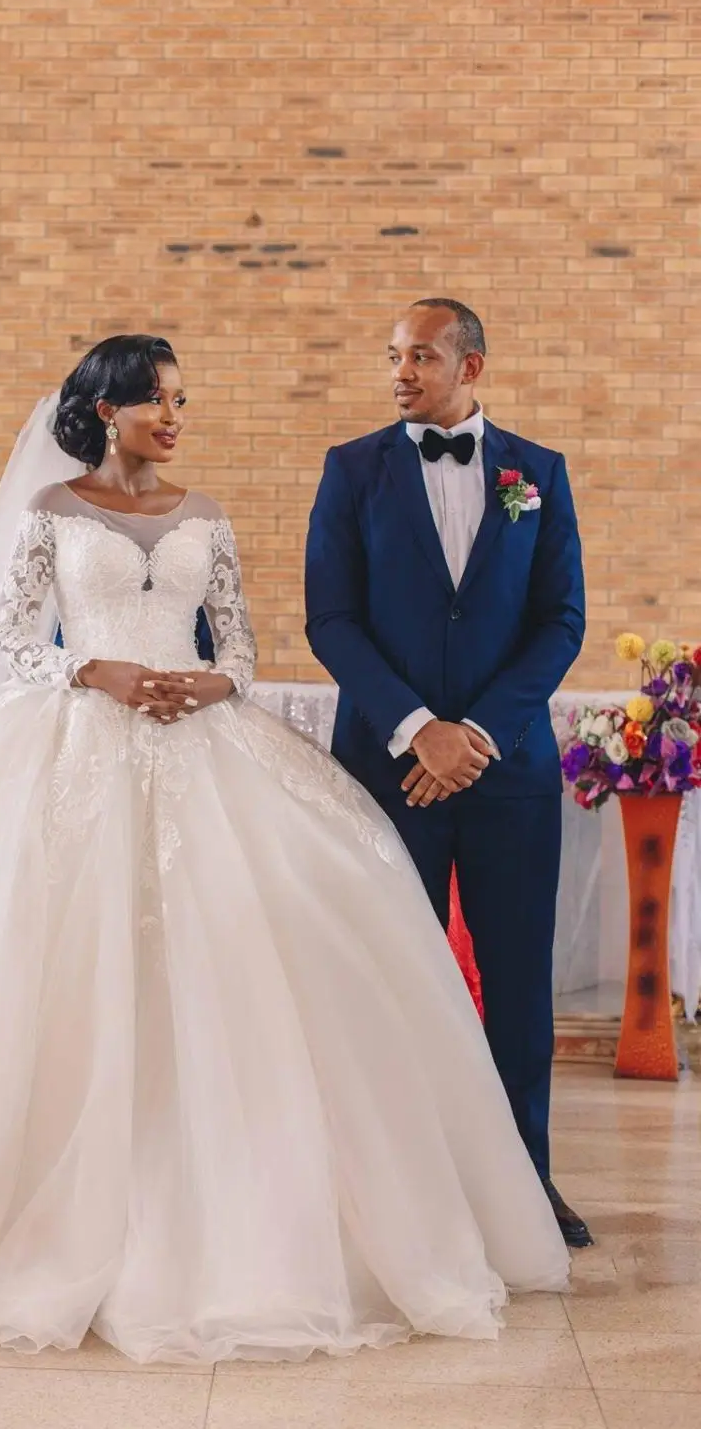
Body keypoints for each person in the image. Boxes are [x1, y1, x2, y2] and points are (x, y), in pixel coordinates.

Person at [0, 335, 570, 1365]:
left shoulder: (205, 515)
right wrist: (91, 672)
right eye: (158, 401)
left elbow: (238, 641)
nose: (174, 418)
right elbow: (13, 640)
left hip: (203, 742)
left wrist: (214, 684)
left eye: (181, 402)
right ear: (105, 411)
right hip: (73, 737)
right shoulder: (51, 514)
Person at [305, 300, 592, 1249]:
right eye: (391, 356)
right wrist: (421, 730)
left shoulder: (536, 475)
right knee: (390, 983)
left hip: (507, 775)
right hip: (389, 775)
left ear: (472, 365)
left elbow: (560, 622)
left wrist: (476, 734)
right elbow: (331, 619)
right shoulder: (352, 470)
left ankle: (526, 1189)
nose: (399, 372)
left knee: (516, 988)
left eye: (419, 357)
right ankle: (399, 1200)